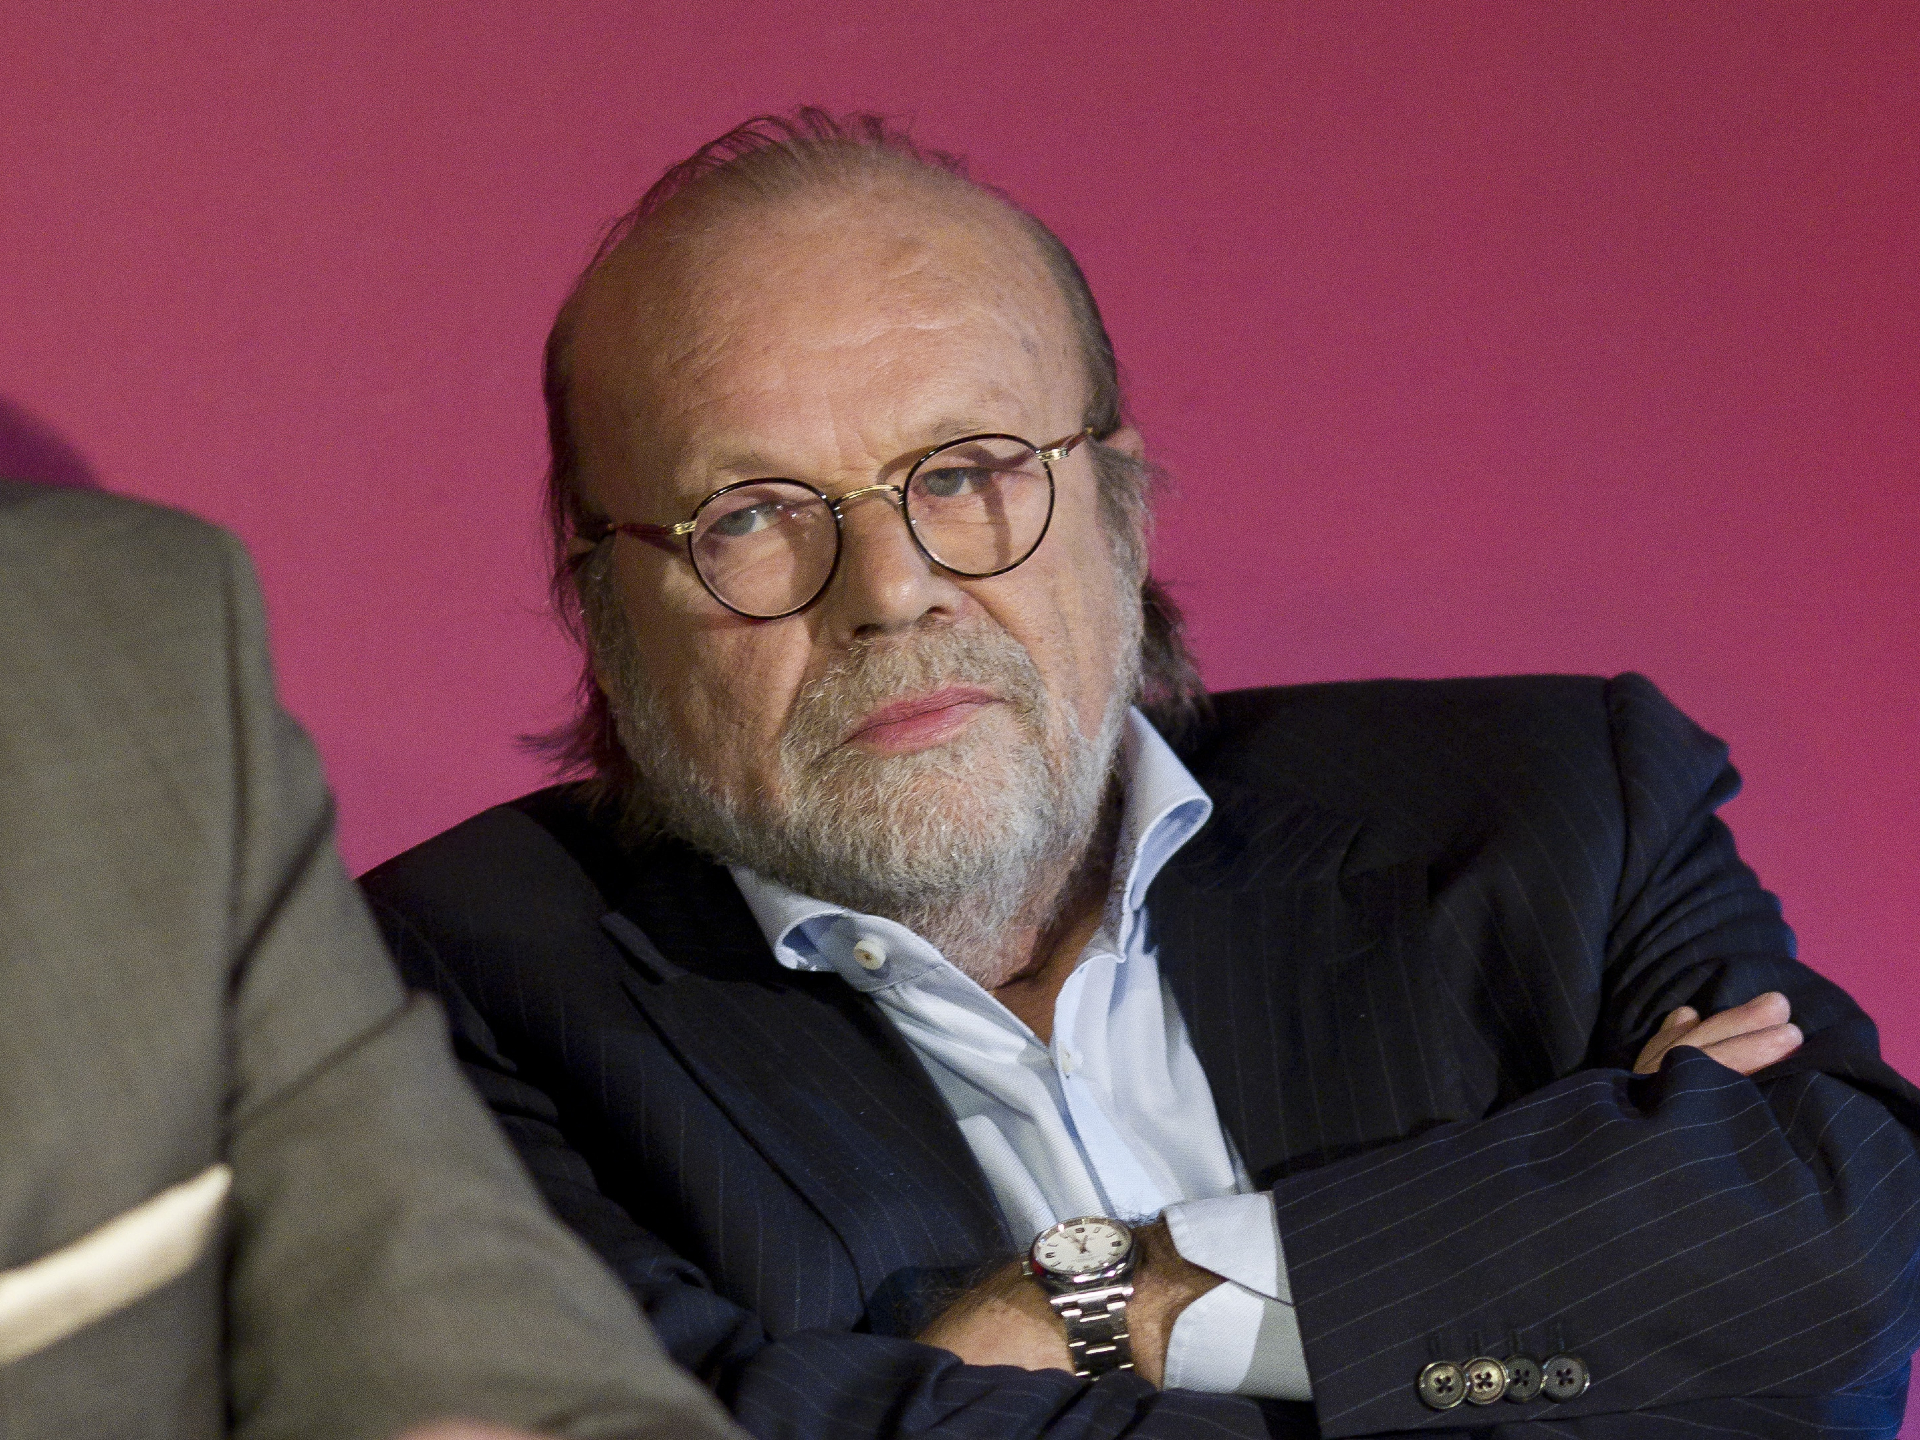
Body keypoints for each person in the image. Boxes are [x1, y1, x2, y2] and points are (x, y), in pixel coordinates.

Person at [360, 111, 1920, 1438]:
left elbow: (1843, 1262)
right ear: (603, 602)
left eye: (966, 472)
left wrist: (1115, 1304)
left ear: (1122, 501)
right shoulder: (426, 997)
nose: (891, 592)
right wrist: (1544, 1299)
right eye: (752, 515)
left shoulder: (1551, 803)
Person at [0, 479, 741, 1440]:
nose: (893, 594)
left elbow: (434, 1284)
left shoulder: (113, 633)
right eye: (744, 515)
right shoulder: (491, 939)